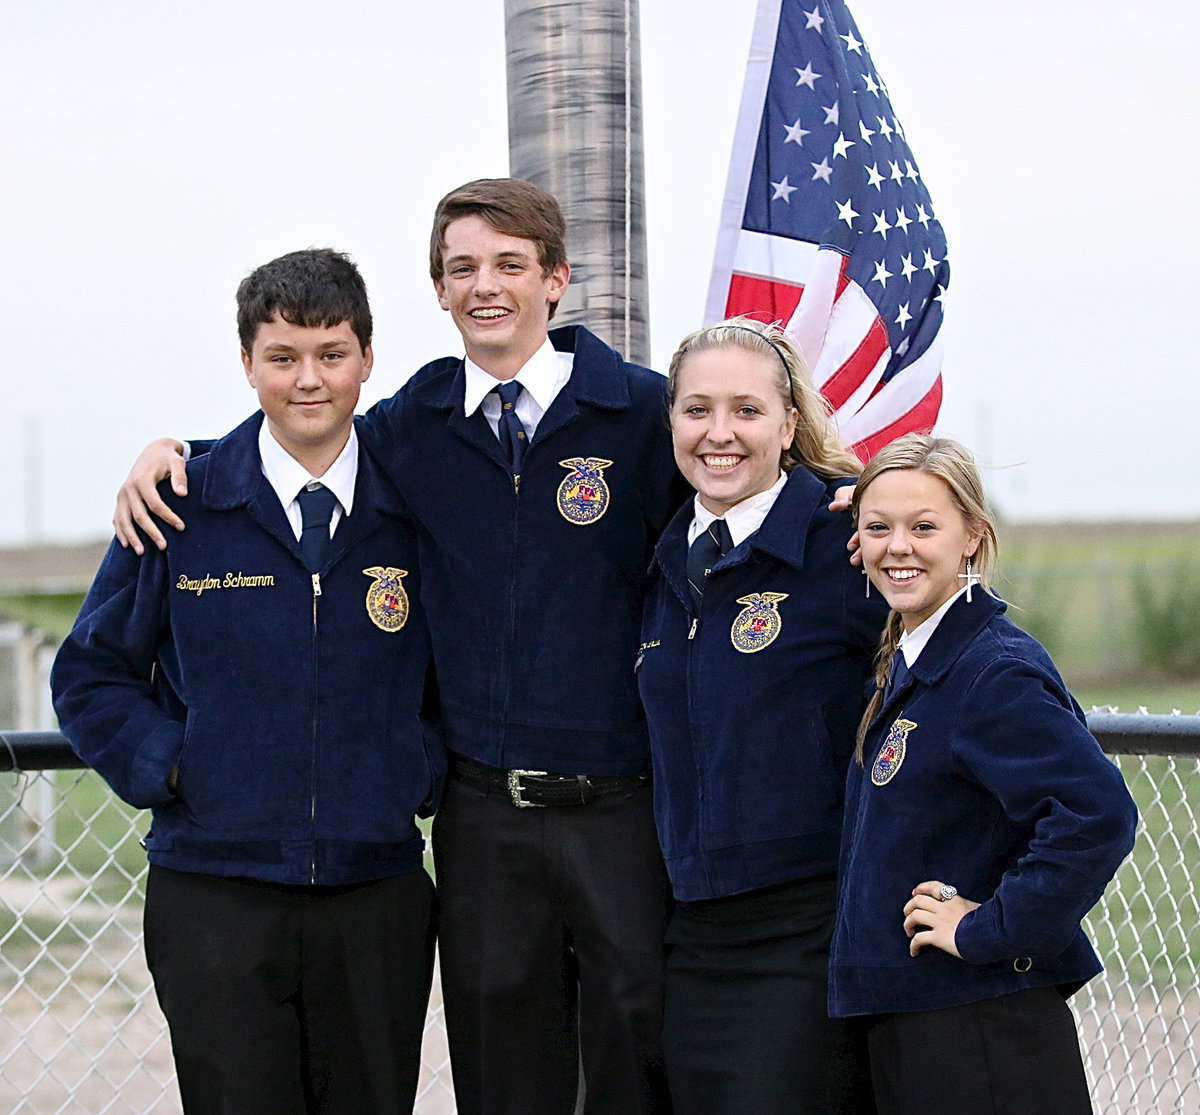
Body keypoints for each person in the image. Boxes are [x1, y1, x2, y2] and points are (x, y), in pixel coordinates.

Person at [109, 180, 682, 1114]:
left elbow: (734, 475)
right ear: (440, 288)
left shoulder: (644, 416)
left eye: (508, 264)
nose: (485, 285)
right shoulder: (415, 426)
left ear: (557, 279)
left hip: (621, 806)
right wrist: (176, 454)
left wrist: (853, 500)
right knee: (504, 1072)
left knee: (638, 1060)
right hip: (481, 819)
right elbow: (297, 436)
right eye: (463, 268)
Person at [52, 249, 441, 1115]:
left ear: (368, 359)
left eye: (332, 354)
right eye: (283, 356)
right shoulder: (179, 503)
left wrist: (414, 770)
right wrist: (181, 766)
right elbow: (89, 673)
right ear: (247, 363)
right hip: (214, 892)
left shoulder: (417, 509)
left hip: (374, 893)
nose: (310, 380)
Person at [831, 434, 1138, 1114]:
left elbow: (1099, 813)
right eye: (877, 527)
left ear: (972, 534)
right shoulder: (915, 659)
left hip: (981, 1026)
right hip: (919, 1019)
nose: (897, 546)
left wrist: (989, 928)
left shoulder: (991, 671)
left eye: (924, 526)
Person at [636, 317, 887, 1112]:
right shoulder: (658, 556)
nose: (720, 433)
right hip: (690, 930)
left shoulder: (846, 544)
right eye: (697, 409)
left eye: (746, 410)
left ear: (788, 423)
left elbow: (963, 643)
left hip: (807, 928)